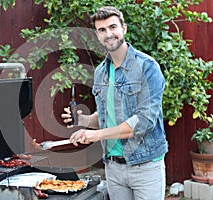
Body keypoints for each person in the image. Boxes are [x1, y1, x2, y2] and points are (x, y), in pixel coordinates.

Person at [61, 6, 168, 200]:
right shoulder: (101, 72)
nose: (108, 34)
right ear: (97, 35)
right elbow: (106, 117)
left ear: (124, 29)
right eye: (102, 30)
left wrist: (96, 135)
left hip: (145, 166)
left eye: (113, 27)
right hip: (113, 168)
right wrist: (82, 120)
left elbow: (143, 122)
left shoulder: (147, 67)